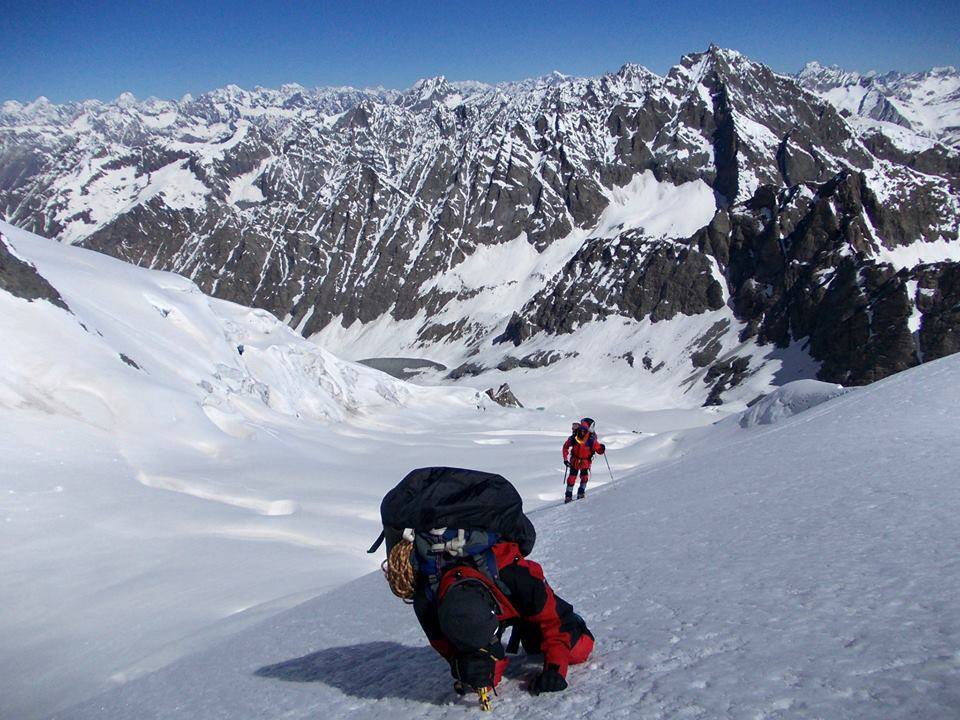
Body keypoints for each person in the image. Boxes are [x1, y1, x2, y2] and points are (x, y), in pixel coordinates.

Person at [412, 537, 595, 697]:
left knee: (579, 648)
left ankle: (569, 625)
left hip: (518, 600)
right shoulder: (427, 602)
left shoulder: (516, 575)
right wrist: (464, 664)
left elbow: (553, 621)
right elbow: (445, 647)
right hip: (486, 609)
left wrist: (555, 669)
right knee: (481, 674)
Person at [562, 417, 605, 502]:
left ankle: (568, 496)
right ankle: (580, 493)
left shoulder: (575, 437)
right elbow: (599, 450)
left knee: (572, 478)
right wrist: (602, 448)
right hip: (585, 461)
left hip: (576, 461)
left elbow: (565, 447)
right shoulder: (591, 438)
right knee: (584, 477)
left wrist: (565, 459)